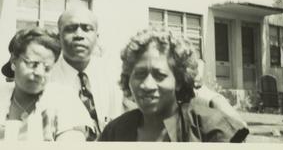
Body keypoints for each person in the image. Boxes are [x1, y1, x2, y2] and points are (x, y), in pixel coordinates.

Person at [100, 28, 249, 142]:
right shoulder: (115, 132)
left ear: (179, 80)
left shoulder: (209, 127)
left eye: (160, 75)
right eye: (139, 74)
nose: (147, 85)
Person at [0, 27, 93, 141]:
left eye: (47, 68)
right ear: (14, 60)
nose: (39, 73)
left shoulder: (64, 101)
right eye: (32, 64)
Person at [49, 7, 124, 139]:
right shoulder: (47, 79)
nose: (79, 35)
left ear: (97, 37)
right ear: (58, 36)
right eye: (70, 28)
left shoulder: (115, 76)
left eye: (86, 28)